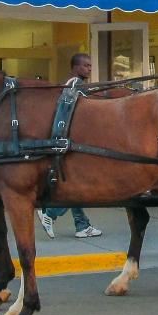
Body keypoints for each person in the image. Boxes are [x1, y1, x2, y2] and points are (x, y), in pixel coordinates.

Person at [37, 53, 103, 239]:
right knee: (80, 187)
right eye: (85, 65)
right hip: (73, 144)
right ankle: (49, 213)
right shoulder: (76, 86)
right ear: (74, 67)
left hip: (71, 143)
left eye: (90, 65)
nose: (89, 68)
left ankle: (82, 226)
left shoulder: (75, 85)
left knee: (76, 186)